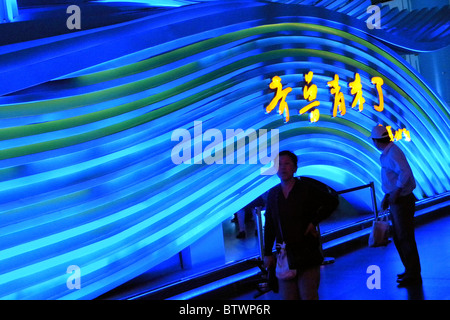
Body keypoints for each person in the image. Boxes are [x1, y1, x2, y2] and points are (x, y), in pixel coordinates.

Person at [263, 151, 339, 300]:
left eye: (287, 164)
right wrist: (267, 253)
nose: (283, 168)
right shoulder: (274, 194)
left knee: (308, 294)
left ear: (295, 168)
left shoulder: (305, 188)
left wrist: (313, 222)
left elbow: (331, 201)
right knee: (288, 296)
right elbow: (270, 224)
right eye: (279, 164)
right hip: (285, 253)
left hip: (306, 250)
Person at [370, 125, 422, 286]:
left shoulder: (393, 152)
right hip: (397, 199)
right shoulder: (389, 152)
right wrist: (389, 194)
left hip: (402, 200)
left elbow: (405, 172)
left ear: (377, 141)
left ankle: (413, 273)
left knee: (404, 237)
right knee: (401, 237)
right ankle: (409, 270)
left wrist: (396, 192)